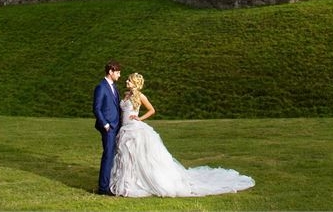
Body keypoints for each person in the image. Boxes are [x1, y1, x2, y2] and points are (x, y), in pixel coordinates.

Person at [109, 72, 254, 198]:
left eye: (129, 80)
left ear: (135, 83)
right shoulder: (127, 95)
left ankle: (141, 181)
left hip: (135, 129)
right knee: (127, 157)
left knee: (139, 156)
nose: (126, 82)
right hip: (125, 129)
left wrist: (139, 118)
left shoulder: (140, 96)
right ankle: (129, 182)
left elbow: (152, 110)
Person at [92, 60, 122, 195]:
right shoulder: (101, 87)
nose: (119, 75)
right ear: (110, 72)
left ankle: (110, 183)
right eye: (118, 72)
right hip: (108, 128)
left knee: (113, 155)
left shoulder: (113, 87)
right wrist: (105, 124)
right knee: (108, 155)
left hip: (116, 125)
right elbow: (96, 108)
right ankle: (103, 188)